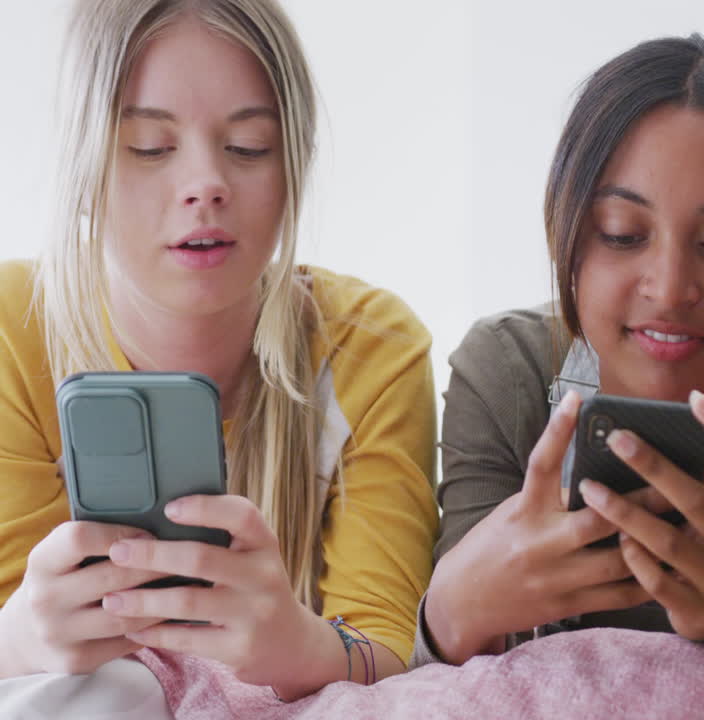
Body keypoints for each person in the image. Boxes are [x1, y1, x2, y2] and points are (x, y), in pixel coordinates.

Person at [0, 0, 436, 703]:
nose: (206, 184)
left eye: (249, 147)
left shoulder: (372, 348)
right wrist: (19, 640)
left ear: (294, 167)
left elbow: (392, 655)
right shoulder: (10, 329)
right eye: (150, 146)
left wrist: (300, 645)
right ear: (85, 171)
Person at [413, 35, 704, 666]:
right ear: (569, 236)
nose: (668, 289)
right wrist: (449, 614)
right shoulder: (506, 372)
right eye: (623, 234)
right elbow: (439, 697)